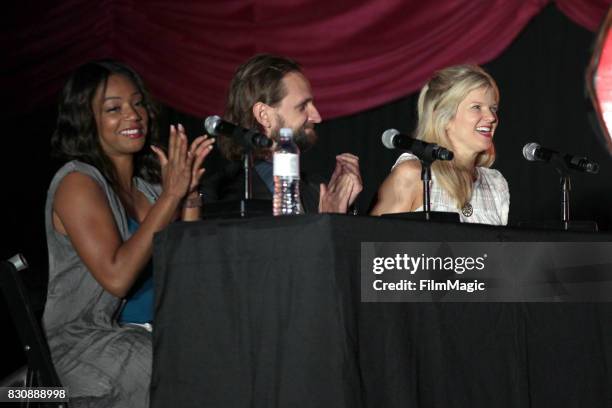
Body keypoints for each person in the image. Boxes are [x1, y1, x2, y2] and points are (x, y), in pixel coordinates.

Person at [42, 59, 214, 407]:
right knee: (179, 369)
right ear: (86, 120)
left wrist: (190, 194)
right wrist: (171, 197)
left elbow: (188, 268)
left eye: (137, 104)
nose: (133, 115)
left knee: (235, 348)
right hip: (88, 344)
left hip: (156, 332)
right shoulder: (77, 183)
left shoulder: (147, 188)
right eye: (113, 108)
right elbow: (118, 277)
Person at [201, 54, 362, 213]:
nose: (317, 117)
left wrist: (345, 206)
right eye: (302, 106)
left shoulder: (316, 188)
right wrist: (328, 218)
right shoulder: (220, 193)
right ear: (264, 115)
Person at [371, 64, 509, 225]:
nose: (491, 117)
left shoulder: (496, 184)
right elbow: (373, 246)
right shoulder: (413, 174)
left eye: (493, 108)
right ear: (444, 117)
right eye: (476, 107)